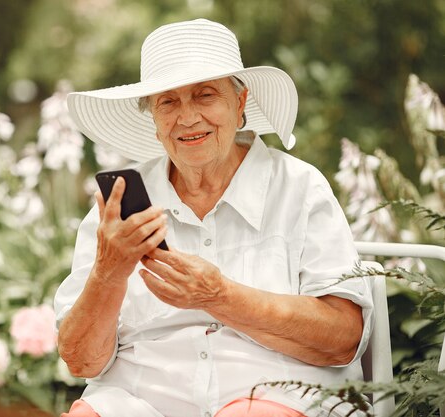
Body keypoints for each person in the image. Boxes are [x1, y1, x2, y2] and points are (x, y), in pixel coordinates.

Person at [54, 19, 373, 417]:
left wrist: (220, 296)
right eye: (168, 102)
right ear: (153, 118)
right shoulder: (118, 209)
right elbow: (81, 362)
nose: (187, 118)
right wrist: (108, 270)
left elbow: (343, 338)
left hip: (278, 398)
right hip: (140, 403)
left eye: (205, 95)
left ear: (240, 104)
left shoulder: (299, 188)